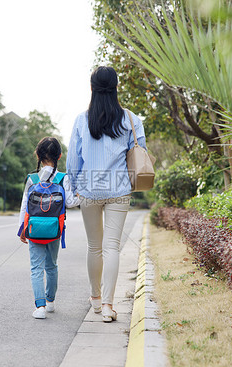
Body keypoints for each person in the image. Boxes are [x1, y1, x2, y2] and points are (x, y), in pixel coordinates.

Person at [67, 66, 147, 323]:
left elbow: (72, 161)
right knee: (112, 247)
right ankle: (110, 306)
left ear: (92, 88)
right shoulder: (131, 119)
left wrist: (76, 186)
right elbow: (140, 151)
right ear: (115, 87)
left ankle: (96, 299)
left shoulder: (82, 120)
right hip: (119, 188)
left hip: (89, 188)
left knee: (94, 246)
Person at [18, 137, 79, 319]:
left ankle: (40, 307)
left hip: (34, 229)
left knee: (36, 268)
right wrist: (81, 193)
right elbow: (70, 202)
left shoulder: (32, 179)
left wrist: (22, 229)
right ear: (59, 155)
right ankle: (51, 301)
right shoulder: (63, 178)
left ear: (37, 155)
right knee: (51, 266)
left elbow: (24, 206)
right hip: (55, 230)